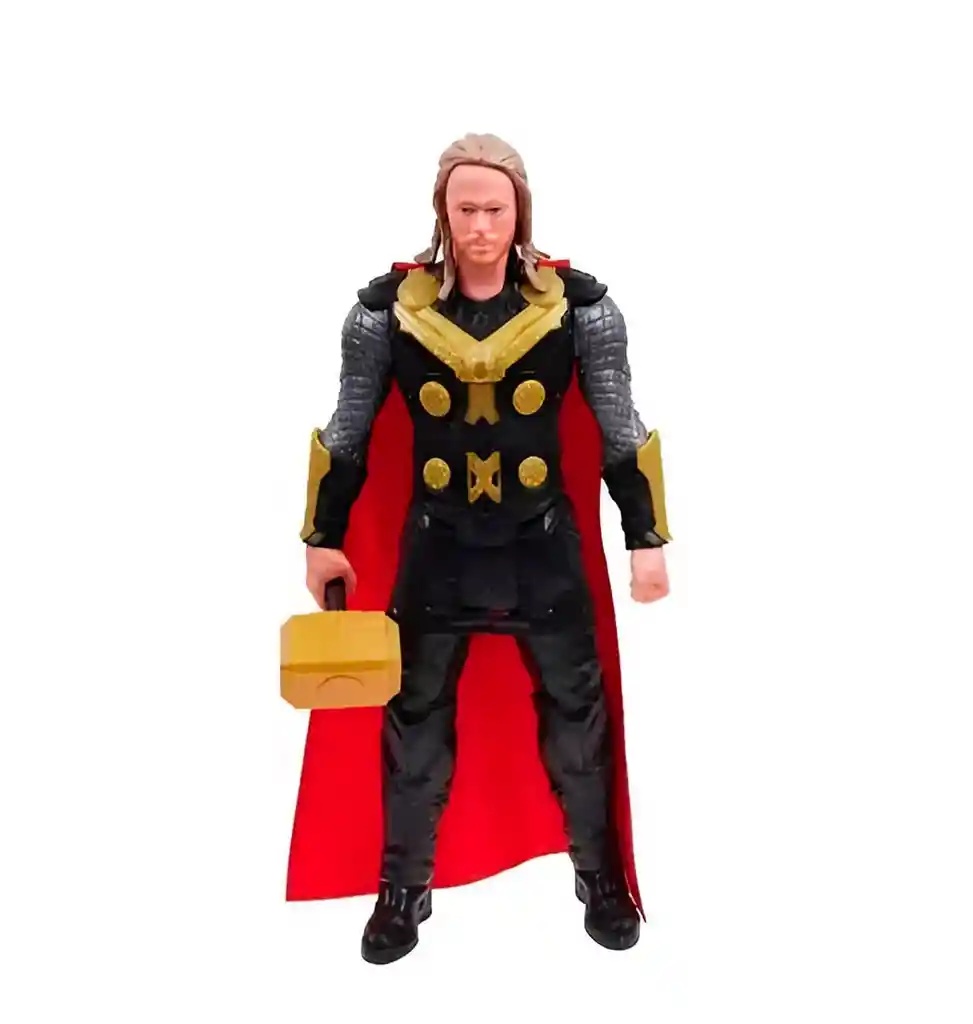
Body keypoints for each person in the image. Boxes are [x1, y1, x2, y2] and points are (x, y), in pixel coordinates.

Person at [287, 133, 671, 965]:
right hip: (437, 548)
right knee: (413, 725)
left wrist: (644, 539)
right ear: (443, 211)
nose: (481, 227)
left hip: (543, 548)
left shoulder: (581, 309)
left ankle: (598, 876)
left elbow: (619, 429)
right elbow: (349, 430)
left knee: (577, 722)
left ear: (519, 211)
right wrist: (324, 536)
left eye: (495, 209)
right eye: (465, 209)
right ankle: (403, 886)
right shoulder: (385, 312)